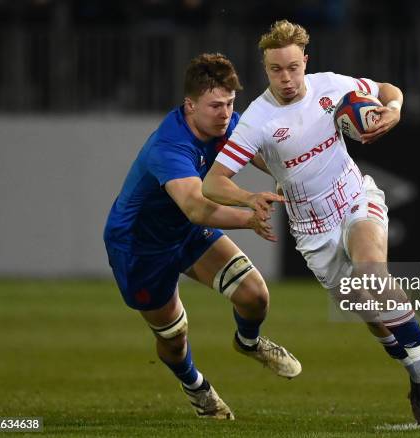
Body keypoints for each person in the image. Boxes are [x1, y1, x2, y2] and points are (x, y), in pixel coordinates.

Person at [202, 21, 420, 425]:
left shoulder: (332, 86)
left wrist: (393, 111)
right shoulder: (257, 120)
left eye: (292, 67)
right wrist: (249, 198)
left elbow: (390, 91)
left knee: (370, 269)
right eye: (275, 70)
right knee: (371, 315)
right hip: (312, 229)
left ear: (306, 60)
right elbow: (212, 183)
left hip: (354, 196)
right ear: (265, 68)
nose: (285, 78)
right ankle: (415, 376)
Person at [103, 53, 301, 421]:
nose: (224, 113)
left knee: (255, 295)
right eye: (215, 105)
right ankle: (196, 386)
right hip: (141, 248)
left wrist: (297, 173)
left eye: (229, 104)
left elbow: (265, 154)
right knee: (174, 339)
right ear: (190, 105)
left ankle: (250, 342)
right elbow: (197, 207)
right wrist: (249, 216)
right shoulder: (170, 146)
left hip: (186, 232)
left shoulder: (226, 124)